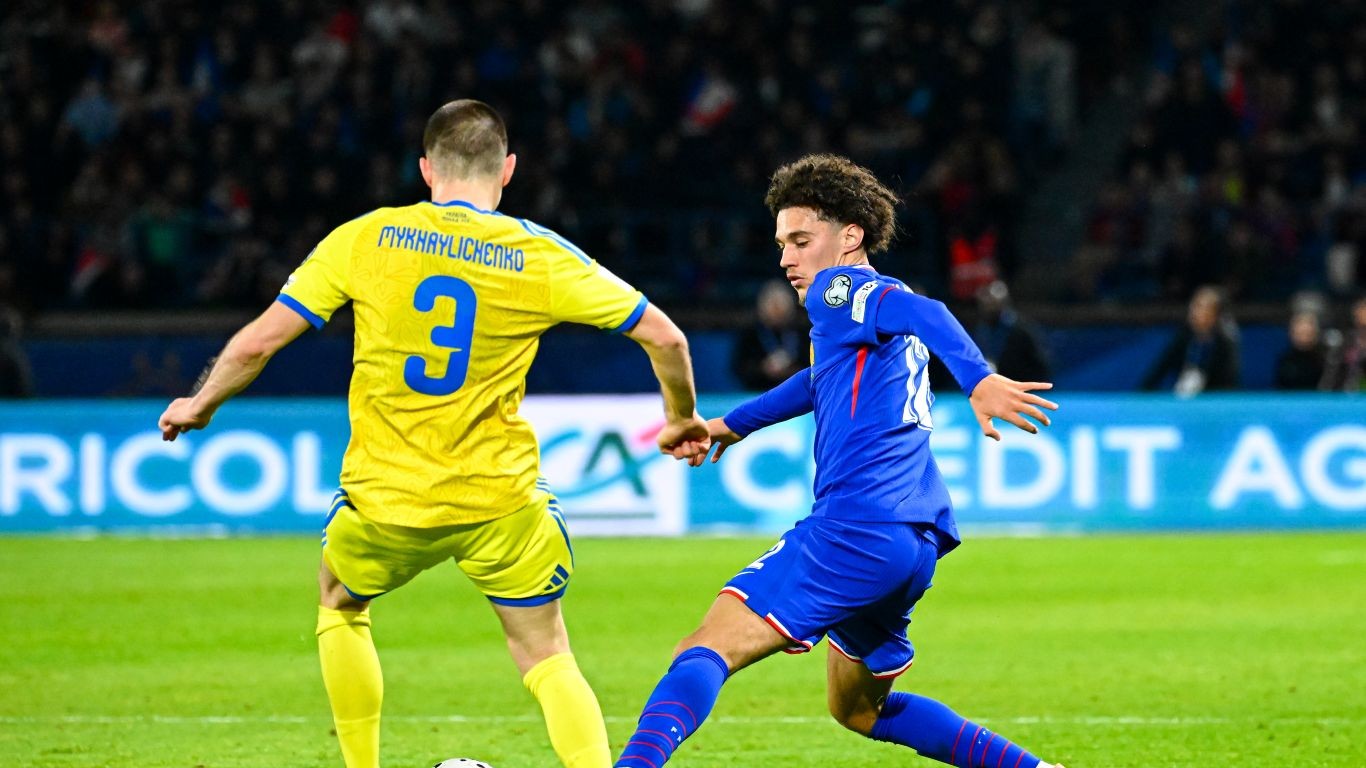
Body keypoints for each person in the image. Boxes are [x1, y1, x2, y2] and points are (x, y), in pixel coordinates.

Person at [158, 100, 710, 768]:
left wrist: (201, 402)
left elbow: (259, 342)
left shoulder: (364, 238)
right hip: (499, 501)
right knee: (546, 652)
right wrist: (680, 417)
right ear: (507, 169)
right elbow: (666, 337)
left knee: (340, 604)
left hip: (385, 499)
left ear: (425, 169)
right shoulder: (537, 254)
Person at [614, 154, 1064, 768]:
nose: (786, 259)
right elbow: (817, 381)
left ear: (850, 236)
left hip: (856, 528)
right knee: (859, 710)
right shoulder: (871, 309)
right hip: (912, 542)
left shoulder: (838, 288)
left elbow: (931, 314)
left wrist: (978, 379)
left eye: (802, 241)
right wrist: (729, 425)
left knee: (703, 649)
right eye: (782, 243)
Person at [1141, 285, 1240, 395]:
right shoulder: (1183, 338)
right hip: (1185, 400)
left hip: (1213, 400)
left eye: (1204, 307)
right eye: (1195, 306)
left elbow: (1229, 383)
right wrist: (1140, 396)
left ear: (1216, 314)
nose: (1196, 312)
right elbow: (1158, 371)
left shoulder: (1225, 343)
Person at [731, 278, 807, 390]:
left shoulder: (802, 333)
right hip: (759, 391)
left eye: (781, 304)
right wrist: (762, 369)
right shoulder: (750, 334)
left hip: (797, 392)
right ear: (762, 307)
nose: (777, 311)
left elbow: (814, 366)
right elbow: (739, 367)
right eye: (772, 305)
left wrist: (792, 370)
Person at [973, 279, 1051, 383]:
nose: (989, 307)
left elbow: (1039, 363)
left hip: (1021, 384)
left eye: (993, 303)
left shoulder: (1022, 329)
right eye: (985, 304)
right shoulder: (982, 328)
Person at [1274, 309, 1327, 390]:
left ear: (1316, 333)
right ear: (1292, 333)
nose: (1304, 336)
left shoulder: (1325, 362)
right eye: (1300, 332)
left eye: (1308, 333)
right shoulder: (1285, 362)